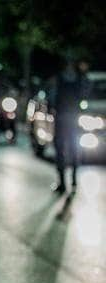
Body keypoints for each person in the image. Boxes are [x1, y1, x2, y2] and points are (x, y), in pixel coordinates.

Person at [50, 59, 89, 193]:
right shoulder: (79, 79)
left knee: (62, 149)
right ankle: (72, 180)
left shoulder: (60, 79)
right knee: (73, 148)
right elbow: (84, 96)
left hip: (63, 118)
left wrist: (52, 108)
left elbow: (53, 96)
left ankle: (64, 182)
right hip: (71, 118)